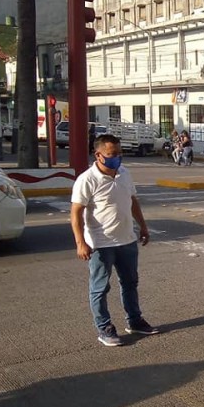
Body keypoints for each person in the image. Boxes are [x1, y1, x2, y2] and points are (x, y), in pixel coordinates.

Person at [70, 134, 159, 347]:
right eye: (111, 155)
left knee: (130, 283)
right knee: (100, 288)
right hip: (101, 244)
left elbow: (133, 202)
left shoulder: (125, 173)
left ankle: (135, 320)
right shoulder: (87, 179)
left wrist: (143, 226)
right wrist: (80, 242)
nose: (116, 159)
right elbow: (76, 213)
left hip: (126, 240)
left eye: (119, 154)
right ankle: (104, 328)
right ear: (98, 155)